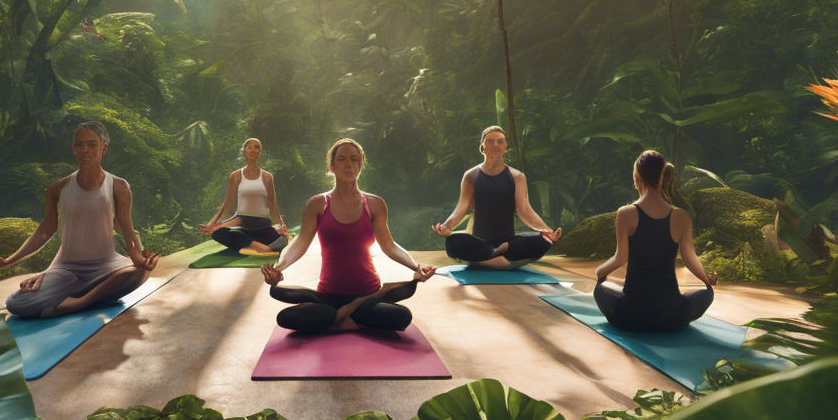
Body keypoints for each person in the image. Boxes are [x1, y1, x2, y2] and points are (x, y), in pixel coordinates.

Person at [260, 138, 437, 333]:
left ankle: (339, 318)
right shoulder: (317, 204)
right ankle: (353, 319)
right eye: (342, 159)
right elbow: (300, 242)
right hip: (328, 295)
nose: (348, 164)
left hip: (368, 293)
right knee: (285, 317)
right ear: (332, 166)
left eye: (354, 159)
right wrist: (278, 268)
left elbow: (389, 246)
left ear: (361, 164)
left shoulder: (375, 204)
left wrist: (417, 267)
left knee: (402, 317)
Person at [0, 121, 161, 318]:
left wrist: (138, 259)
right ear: (73, 149)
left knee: (140, 273)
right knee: (16, 303)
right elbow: (45, 230)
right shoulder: (57, 189)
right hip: (65, 270)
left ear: (104, 148)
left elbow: (126, 227)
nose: (85, 150)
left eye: (92, 145)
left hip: (106, 266)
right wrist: (12, 260)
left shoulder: (119, 187)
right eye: (79, 145)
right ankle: (95, 294)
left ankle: (81, 302)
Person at [592, 150, 718, 331]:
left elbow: (620, 259)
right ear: (662, 177)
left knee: (601, 287)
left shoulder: (625, 213)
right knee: (707, 294)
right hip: (671, 316)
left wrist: (599, 273)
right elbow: (690, 257)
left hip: (630, 315)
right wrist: (706, 280)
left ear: (637, 178)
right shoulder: (681, 216)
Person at [432, 126, 562, 268]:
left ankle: (486, 259)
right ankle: (498, 258)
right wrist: (446, 226)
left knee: (543, 241)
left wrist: (547, 230)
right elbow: (460, 210)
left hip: (508, 241)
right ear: (482, 147)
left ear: (506, 146)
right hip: (479, 242)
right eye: (490, 141)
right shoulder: (471, 176)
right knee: (453, 242)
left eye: (500, 141)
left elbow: (525, 211)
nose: (495, 145)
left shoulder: (517, 177)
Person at [199, 138, 290, 256]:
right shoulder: (236, 176)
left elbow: (272, 204)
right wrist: (211, 224)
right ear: (244, 151)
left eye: (256, 147)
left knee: (283, 239)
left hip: (262, 224)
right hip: (243, 223)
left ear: (259, 151)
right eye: (250, 147)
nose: (253, 150)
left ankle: (250, 242)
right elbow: (227, 203)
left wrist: (281, 225)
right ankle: (255, 245)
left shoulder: (267, 177)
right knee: (217, 233)